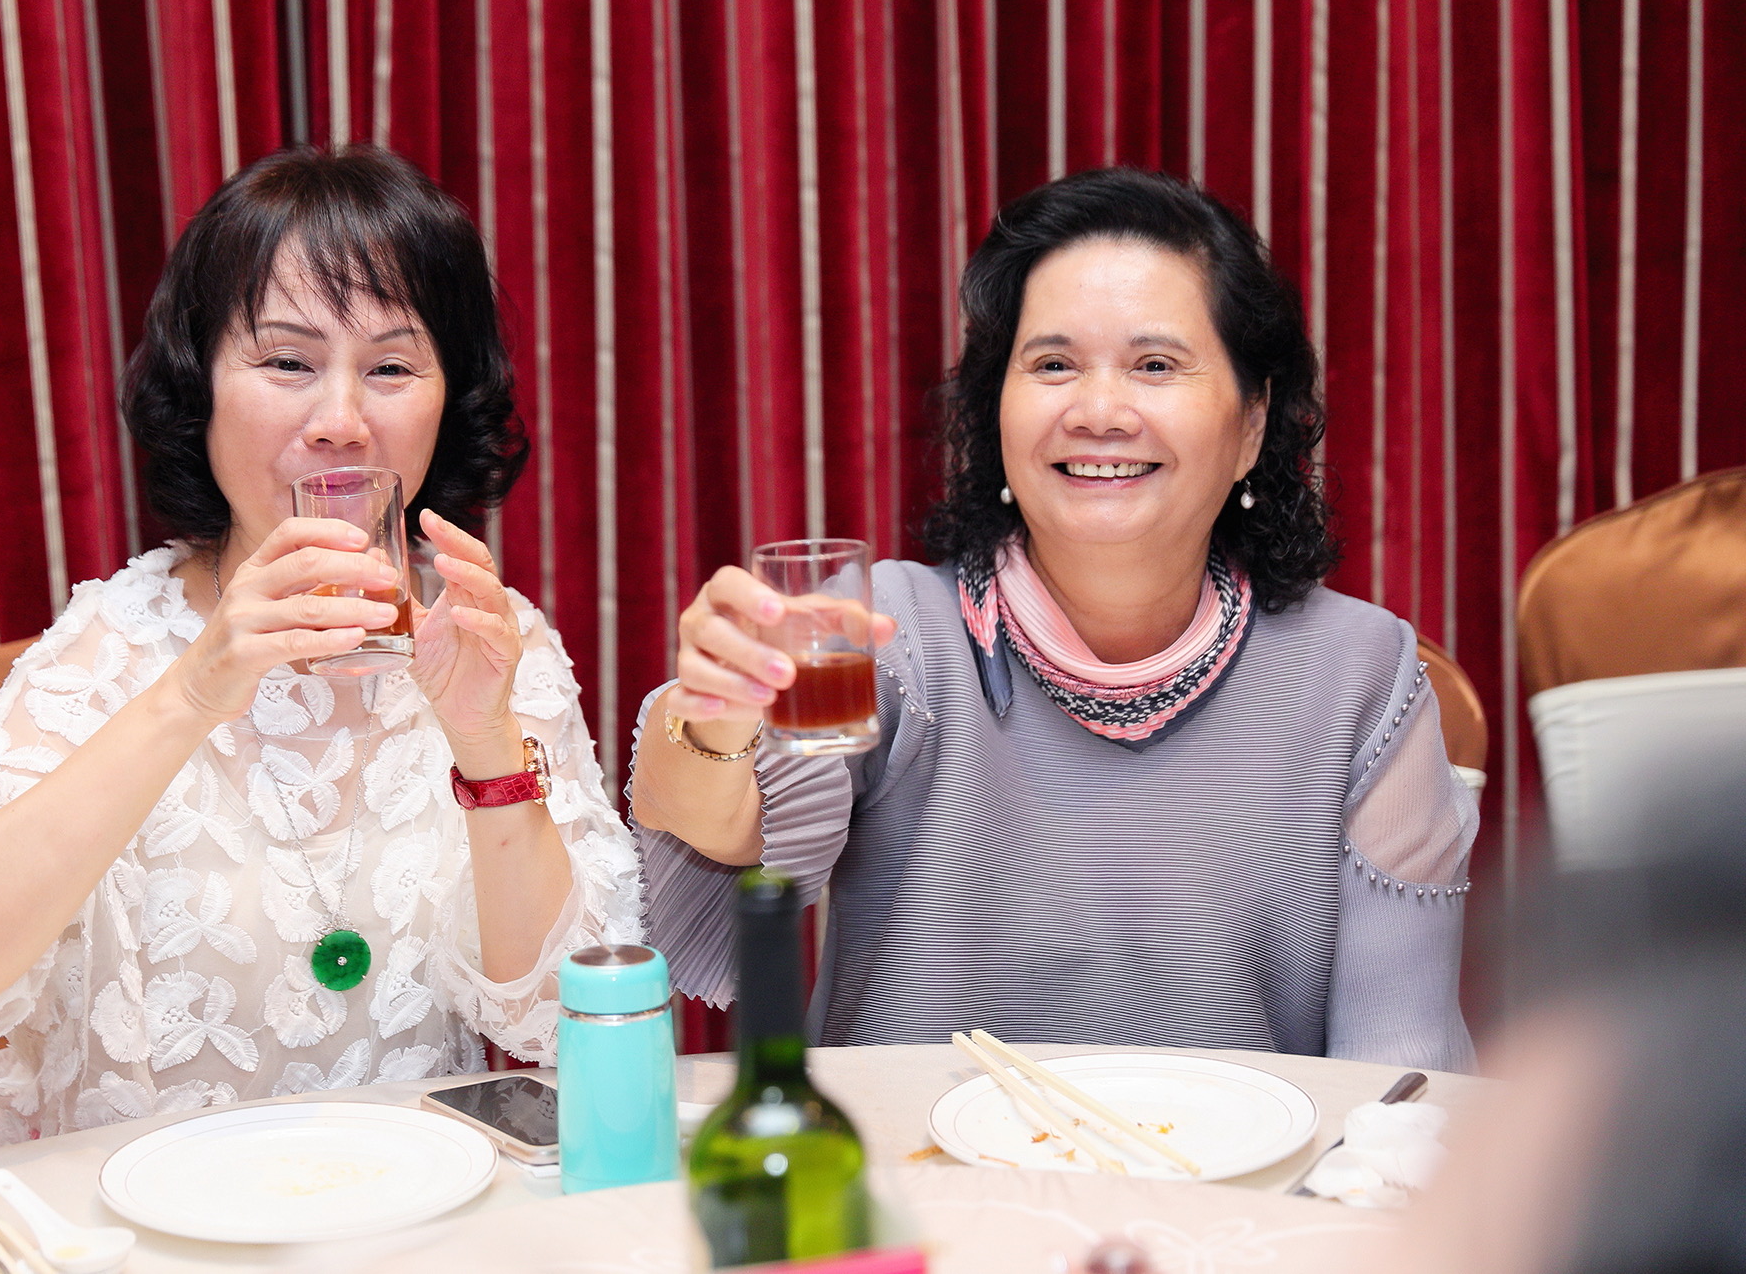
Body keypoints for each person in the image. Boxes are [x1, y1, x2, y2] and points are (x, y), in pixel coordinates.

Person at [0, 145, 642, 1148]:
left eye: (391, 368)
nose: (341, 422)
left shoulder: (495, 639)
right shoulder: (114, 645)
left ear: (449, 400)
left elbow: (557, 1028)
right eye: (288, 363)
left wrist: (485, 746)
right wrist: (193, 692)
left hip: (403, 1200)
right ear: (203, 389)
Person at [629, 167, 1475, 1071]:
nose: (1099, 412)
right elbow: (741, 837)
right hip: (918, 1162)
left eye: (1155, 365)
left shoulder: (1362, 674)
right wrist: (713, 720)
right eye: (1053, 365)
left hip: (1254, 1167)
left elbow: (1401, 1066)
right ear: (997, 413)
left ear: (1252, 425)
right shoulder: (890, 636)